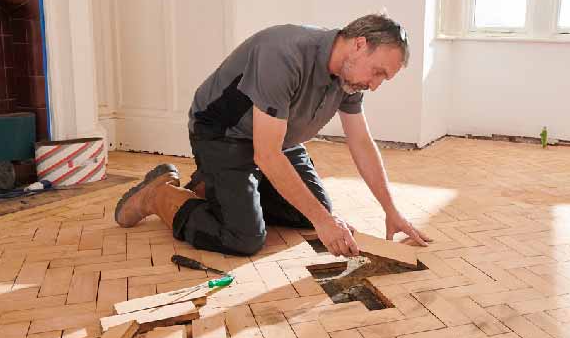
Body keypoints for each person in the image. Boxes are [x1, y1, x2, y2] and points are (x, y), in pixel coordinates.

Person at [113, 14, 431, 258]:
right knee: (245, 238)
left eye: (384, 79)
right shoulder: (285, 53)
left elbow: (361, 143)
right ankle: (159, 194)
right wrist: (325, 221)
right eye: (377, 72)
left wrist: (391, 211)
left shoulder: (349, 78)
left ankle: (214, 186)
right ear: (359, 45)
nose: (375, 85)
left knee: (312, 212)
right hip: (224, 135)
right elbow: (266, 155)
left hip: (279, 141)